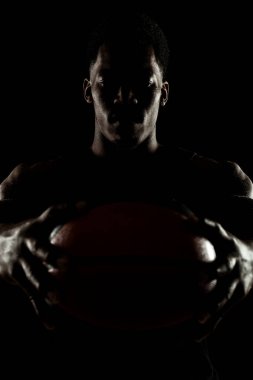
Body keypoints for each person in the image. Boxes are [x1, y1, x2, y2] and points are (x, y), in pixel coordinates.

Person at [0, 11, 253, 379]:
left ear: (163, 93)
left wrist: (249, 258)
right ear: (88, 90)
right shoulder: (35, 184)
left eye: (143, 84)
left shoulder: (215, 182)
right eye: (108, 82)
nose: (125, 97)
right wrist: (4, 249)